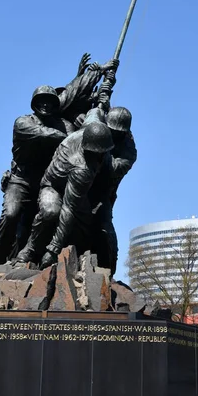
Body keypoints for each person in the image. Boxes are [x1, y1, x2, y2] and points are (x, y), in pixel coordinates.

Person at [0, 56, 119, 269]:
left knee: (58, 215)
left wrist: (101, 85)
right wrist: (74, 136)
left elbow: (73, 92)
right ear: (34, 104)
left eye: (50, 101)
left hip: (48, 180)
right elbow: (51, 133)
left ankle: (48, 258)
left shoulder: (65, 125)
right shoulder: (24, 123)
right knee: (12, 214)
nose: (46, 104)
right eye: (41, 101)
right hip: (21, 180)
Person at [15, 109, 114, 268]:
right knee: (50, 212)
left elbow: (95, 111)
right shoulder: (83, 168)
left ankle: (79, 259)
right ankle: (30, 250)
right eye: (99, 153)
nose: (102, 157)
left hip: (76, 191)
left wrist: (102, 102)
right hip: (53, 186)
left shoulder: (89, 129)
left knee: (86, 225)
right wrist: (53, 249)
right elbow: (68, 208)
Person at [88, 107, 137, 274]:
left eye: (118, 132)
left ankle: (107, 274)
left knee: (105, 231)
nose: (113, 134)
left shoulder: (128, 150)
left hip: (102, 193)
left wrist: (100, 142)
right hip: (78, 184)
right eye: (110, 130)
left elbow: (113, 169)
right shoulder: (97, 121)